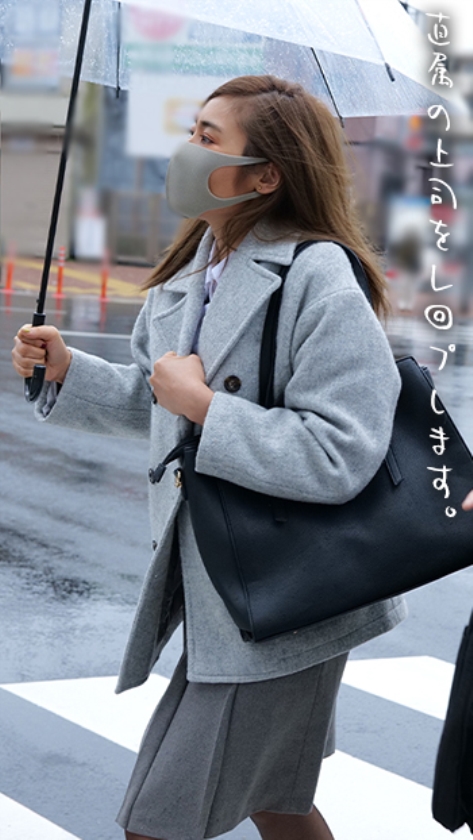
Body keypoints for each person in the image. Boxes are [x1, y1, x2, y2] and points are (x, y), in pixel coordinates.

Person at [12, 75, 406, 840]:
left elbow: (339, 452)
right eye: (191, 131)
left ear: (264, 176)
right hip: (228, 590)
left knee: (158, 819)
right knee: (275, 801)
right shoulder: (193, 270)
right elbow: (162, 406)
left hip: (290, 595)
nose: (185, 150)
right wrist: (68, 372)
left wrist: (204, 407)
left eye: (206, 137)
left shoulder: (317, 275)